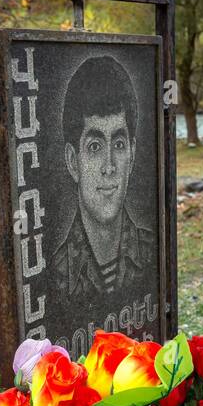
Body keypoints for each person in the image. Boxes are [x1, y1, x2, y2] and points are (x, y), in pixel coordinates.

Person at [51, 54, 155, 306]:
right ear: (73, 160)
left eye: (118, 144)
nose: (109, 167)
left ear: (131, 156)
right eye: (95, 146)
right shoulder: (54, 276)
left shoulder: (153, 252)